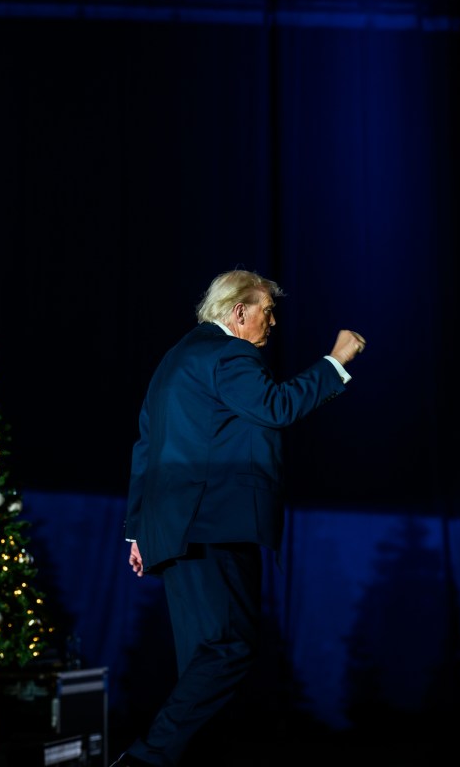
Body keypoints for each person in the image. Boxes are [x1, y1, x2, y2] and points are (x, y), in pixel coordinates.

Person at [111, 269, 365, 767]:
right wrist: (335, 363)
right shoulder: (229, 354)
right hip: (214, 526)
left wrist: (138, 531)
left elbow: (147, 447)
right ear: (238, 311)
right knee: (228, 650)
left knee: (203, 665)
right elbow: (277, 406)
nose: (273, 322)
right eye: (267, 311)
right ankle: (145, 759)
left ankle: (170, 760)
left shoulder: (173, 361)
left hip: (174, 533)